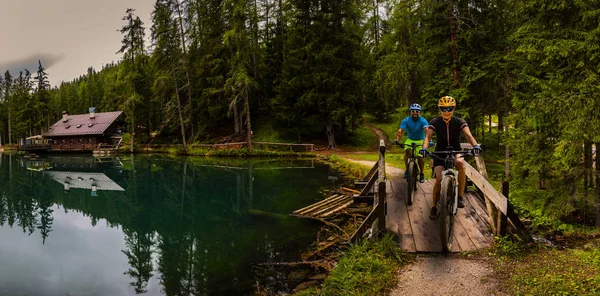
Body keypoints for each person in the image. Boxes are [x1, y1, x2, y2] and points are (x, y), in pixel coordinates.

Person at [419, 96, 482, 220]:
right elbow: (428, 137)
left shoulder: (459, 121)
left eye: (449, 108)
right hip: (440, 151)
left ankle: (460, 197)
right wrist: (425, 148)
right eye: (443, 108)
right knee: (438, 179)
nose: (446, 111)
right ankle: (434, 207)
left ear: (453, 109)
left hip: (455, 150)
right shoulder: (435, 122)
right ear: (440, 109)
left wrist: (475, 146)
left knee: (460, 163)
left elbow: (468, 135)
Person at [394, 103, 429, 183]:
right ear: (410, 112)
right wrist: (397, 140)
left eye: (417, 111)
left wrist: (429, 140)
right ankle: (407, 169)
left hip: (421, 140)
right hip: (410, 139)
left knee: (420, 156)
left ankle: (422, 173)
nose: (415, 113)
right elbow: (400, 131)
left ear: (419, 112)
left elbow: (426, 130)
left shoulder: (423, 120)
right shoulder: (406, 120)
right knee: (407, 152)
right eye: (413, 111)